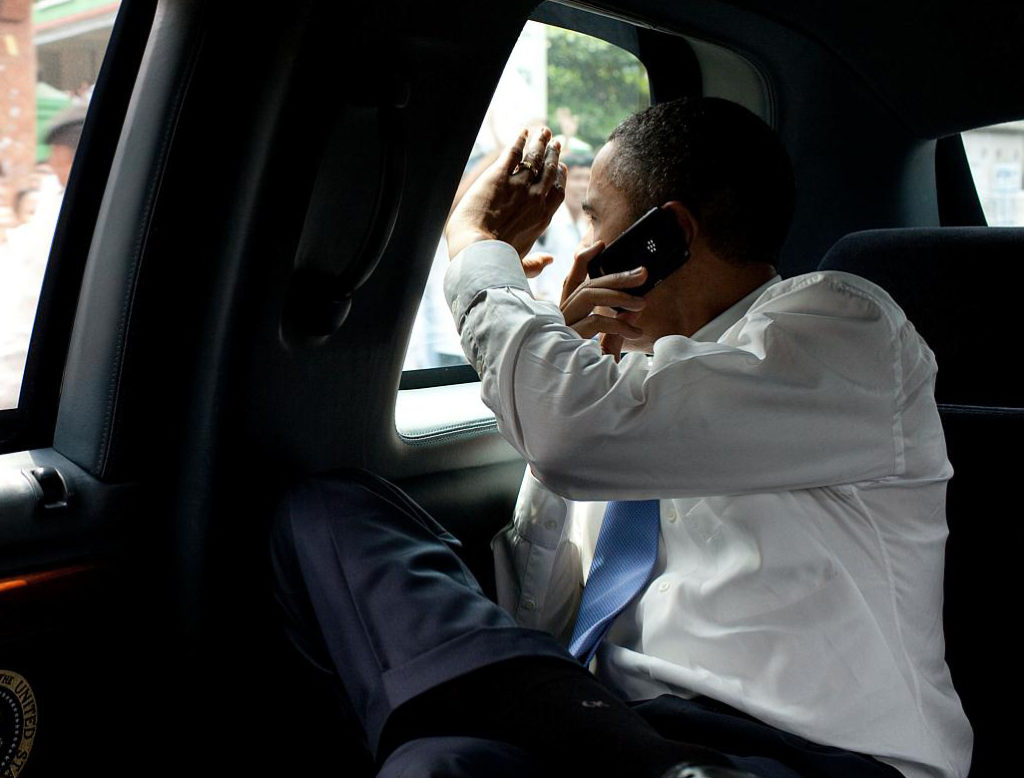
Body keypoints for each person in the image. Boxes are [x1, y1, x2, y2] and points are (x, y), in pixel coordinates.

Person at [273, 97, 971, 778]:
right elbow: (538, 620)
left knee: (445, 756)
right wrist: (574, 356)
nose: (580, 255)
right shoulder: (615, 394)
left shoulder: (841, 328)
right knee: (328, 514)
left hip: (806, 752)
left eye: (593, 221)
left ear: (667, 233)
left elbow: (577, 437)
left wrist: (482, 260)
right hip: (602, 722)